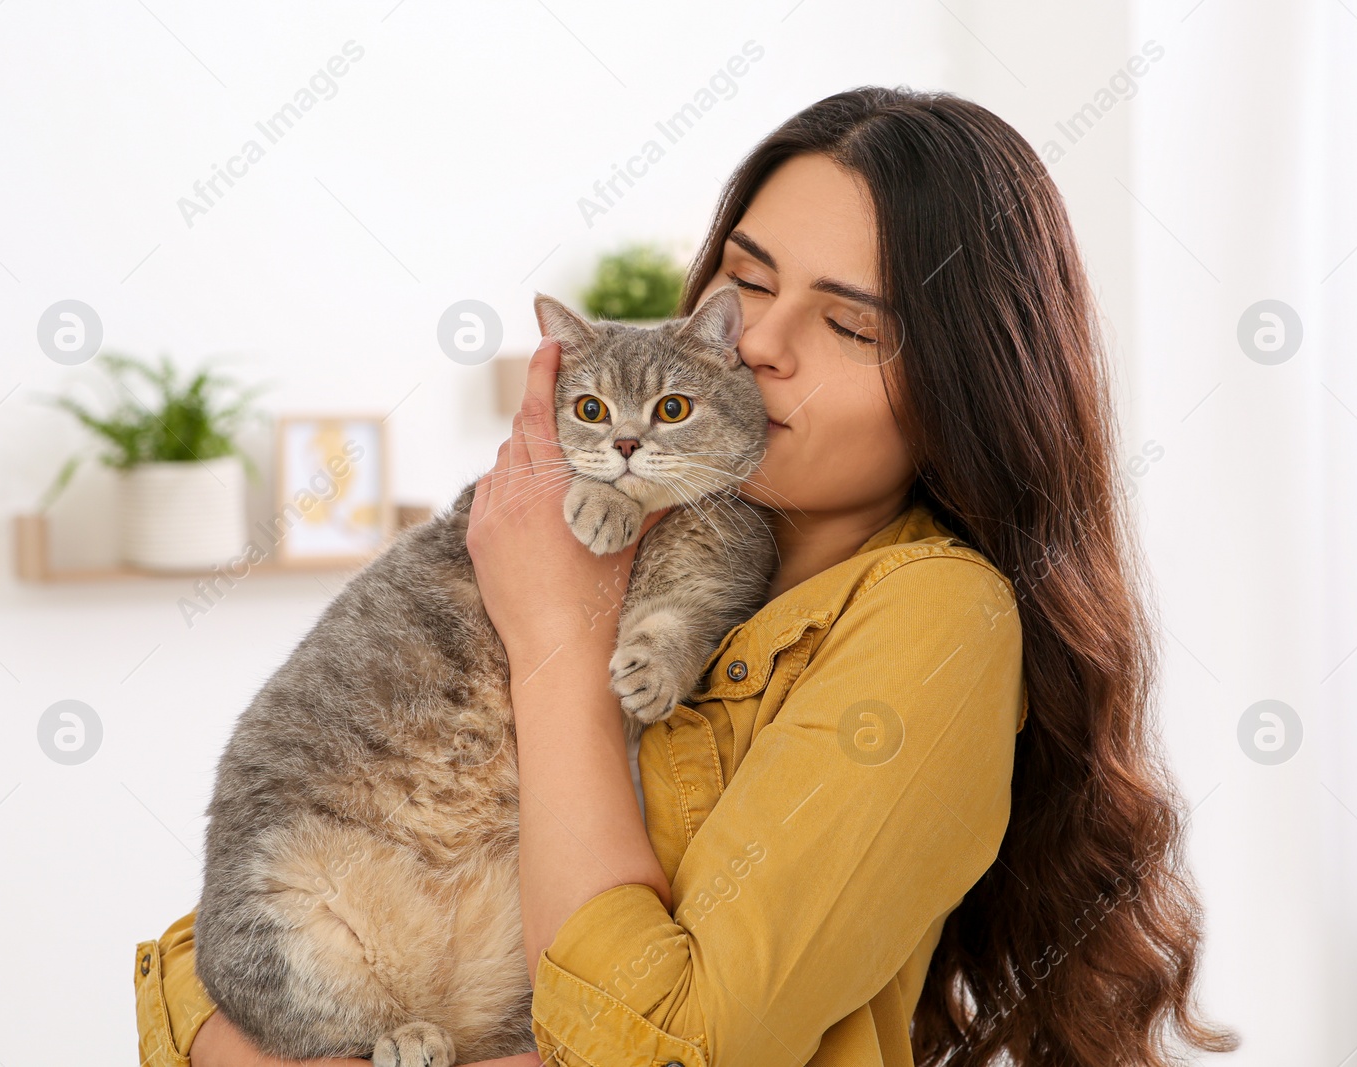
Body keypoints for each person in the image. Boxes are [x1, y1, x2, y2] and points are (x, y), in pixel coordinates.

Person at [135, 86, 1238, 1067]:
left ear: (964, 390)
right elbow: (198, 955)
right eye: (746, 280)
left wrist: (557, 642)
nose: (760, 343)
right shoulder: (603, 525)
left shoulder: (936, 617)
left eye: (849, 323)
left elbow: (670, 1047)